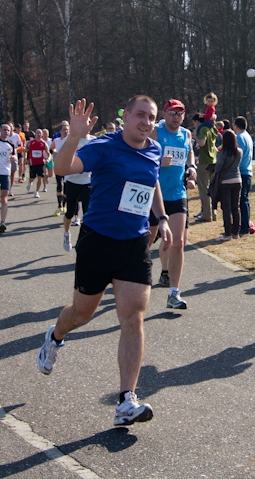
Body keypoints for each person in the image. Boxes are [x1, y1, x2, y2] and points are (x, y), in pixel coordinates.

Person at [36, 96, 172, 428]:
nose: (145, 121)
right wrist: (73, 136)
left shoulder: (153, 148)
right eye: (140, 114)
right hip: (98, 240)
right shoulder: (103, 147)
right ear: (125, 116)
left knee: (133, 317)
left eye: (150, 117)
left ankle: (126, 400)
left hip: (135, 243)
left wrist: (162, 217)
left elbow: (151, 179)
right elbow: (62, 168)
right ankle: (54, 336)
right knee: (82, 313)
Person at [148, 99, 196, 310]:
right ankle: (126, 275)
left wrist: (192, 167)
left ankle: (173, 293)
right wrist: (158, 161)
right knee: (145, 242)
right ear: (164, 114)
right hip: (153, 193)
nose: (176, 117)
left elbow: (189, 152)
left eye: (180, 113)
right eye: (172, 113)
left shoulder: (186, 134)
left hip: (177, 193)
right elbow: (140, 155)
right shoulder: (155, 133)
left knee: (178, 242)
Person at [61, 128, 94, 251]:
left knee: (87, 213)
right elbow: (60, 158)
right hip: (72, 181)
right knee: (70, 212)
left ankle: (84, 239)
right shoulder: (69, 140)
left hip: (87, 181)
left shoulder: (94, 141)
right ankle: (66, 233)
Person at [214, 129, 242, 241]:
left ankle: (227, 233)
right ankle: (236, 232)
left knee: (226, 208)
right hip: (237, 180)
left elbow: (218, 168)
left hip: (225, 181)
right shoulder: (239, 151)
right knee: (236, 207)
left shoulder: (223, 153)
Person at [195, 107, 219, 222]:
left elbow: (202, 143)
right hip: (213, 160)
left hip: (204, 161)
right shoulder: (213, 128)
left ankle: (206, 215)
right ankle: (214, 213)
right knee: (213, 189)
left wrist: (195, 136)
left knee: (204, 189)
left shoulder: (203, 129)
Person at [233, 117, 254, 235]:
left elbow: (236, 156)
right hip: (248, 171)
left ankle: (244, 226)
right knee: (244, 200)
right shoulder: (248, 136)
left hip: (242, 171)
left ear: (236, 125)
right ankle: (245, 224)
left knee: (242, 201)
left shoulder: (239, 138)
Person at [26, 129, 50, 198]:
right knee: (32, 177)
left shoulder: (44, 143)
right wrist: (26, 159)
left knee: (40, 177)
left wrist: (48, 159)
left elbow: (49, 153)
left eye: (40, 133)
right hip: (33, 162)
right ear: (35, 134)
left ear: (42, 134)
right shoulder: (31, 142)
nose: (39, 134)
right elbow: (26, 150)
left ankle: (36, 191)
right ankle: (30, 182)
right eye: (37, 133)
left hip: (41, 162)